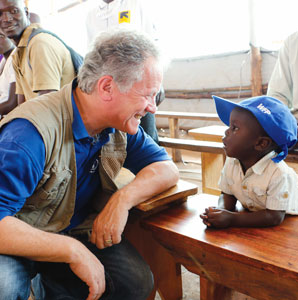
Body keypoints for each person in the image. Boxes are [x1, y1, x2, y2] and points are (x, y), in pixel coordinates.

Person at [0, 29, 179, 300]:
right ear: (106, 87)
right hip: (20, 236)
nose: (152, 107)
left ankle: (57, 288)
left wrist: (122, 200)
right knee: (3, 286)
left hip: (76, 227)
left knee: (135, 281)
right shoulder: (28, 135)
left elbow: (166, 168)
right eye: (148, 95)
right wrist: (73, 251)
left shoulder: (119, 125)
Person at [200, 95, 298, 229]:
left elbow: (274, 216)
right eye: (229, 126)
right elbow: (227, 194)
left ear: (261, 143)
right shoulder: (232, 162)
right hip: (256, 217)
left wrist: (231, 219)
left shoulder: (278, 173)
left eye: (234, 128)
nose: (226, 131)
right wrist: (220, 210)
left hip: (290, 223)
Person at [85, 0, 162, 144]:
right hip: (108, 86)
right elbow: (91, 50)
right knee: (108, 138)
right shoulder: (91, 15)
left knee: (147, 133)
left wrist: (158, 84)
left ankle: (150, 156)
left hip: (138, 84)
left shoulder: (135, 5)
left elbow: (153, 46)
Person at [0, 0, 76, 104]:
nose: (6, 19)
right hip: (40, 117)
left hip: (60, 118)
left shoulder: (39, 43)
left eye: (14, 11)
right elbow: (22, 106)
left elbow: (48, 105)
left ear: (26, 13)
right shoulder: (18, 52)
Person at [0, 28, 17, 117]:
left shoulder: (15, 58)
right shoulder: (3, 61)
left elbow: (12, 103)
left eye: (1, 36)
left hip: (9, 117)